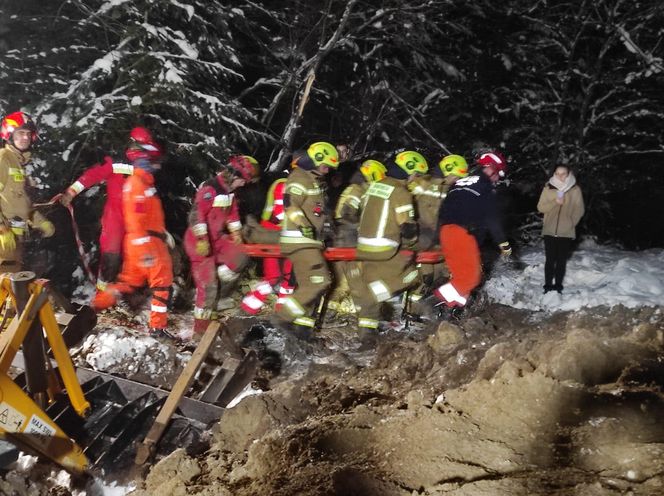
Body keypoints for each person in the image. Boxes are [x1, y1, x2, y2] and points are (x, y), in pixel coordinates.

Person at [92, 127, 174, 338]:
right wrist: (146, 247)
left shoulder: (143, 183)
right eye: (152, 160)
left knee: (127, 283)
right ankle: (157, 327)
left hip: (143, 241)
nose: (156, 165)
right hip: (145, 243)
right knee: (162, 283)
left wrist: (163, 234)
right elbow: (136, 220)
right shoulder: (138, 184)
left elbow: (149, 218)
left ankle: (93, 308)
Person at [347, 152, 420, 338]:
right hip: (384, 248)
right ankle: (371, 298)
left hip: (363, 247)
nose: (414, 178)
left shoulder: (375, 186)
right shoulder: (401, 191)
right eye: (415, 174)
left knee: (371, 281)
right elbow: (407, 226)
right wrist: (412, 244)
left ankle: (366, 334)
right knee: (412, 275)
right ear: (408, 172)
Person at [183, 155, 257, 338]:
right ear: (233, 174)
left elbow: (232, 214)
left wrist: (236, 233)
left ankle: (217, 297)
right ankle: (200, 329)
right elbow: (196, 215)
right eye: (242, 180)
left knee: (240, 256)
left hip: (217, 239)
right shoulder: (211, 188)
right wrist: (201, 239)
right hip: (199, 241)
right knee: (208, 286)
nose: (243, 184)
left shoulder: (229, 192)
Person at [272, 142, 339, 337]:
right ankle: (282, 317)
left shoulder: (314, 181)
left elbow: (317, 211)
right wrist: (304, 225)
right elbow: (290, 205)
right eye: (326, 165)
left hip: (309, 241)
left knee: (308, 285)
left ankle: (302, 329)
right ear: (316, 161)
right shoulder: (300, 178)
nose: (329, 170)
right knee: (320, 281)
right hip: (300, 240)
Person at [433, 150, 512, 313]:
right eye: (499, 174)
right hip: (462, 233)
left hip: (445, 231)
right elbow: (492, 219)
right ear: (491, 169)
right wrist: (504, 244)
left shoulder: (460, 183)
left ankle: (452, 311)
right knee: (472, 278)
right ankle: (436, 300)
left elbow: (444, 209)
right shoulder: (484, 186)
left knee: (460, 277)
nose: (498, 179)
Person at [59, 137, 137, 293]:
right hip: (115, 215)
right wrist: (71, 192)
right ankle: (103, 292)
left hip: (137, 217)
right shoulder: (116, 162)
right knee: (111, 254)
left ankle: (128, 292)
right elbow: (92, 175)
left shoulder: (147, 167)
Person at [0, 111, 55, 272]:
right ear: (9, 134)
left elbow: (22, 203)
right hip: (4, 240)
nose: (25, 138)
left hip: (16, 238)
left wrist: (40, 222)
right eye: (20, 133)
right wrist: (1, 228)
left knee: (14, 289)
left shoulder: (19, 164)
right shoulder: (4, 158)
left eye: (28, 134)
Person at [240, 174, 293, 315]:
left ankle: (282, 311)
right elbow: (279, 213)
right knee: (273, 276)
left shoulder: (292, 185)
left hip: (285, 236)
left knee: (290, 275)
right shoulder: (284, 185)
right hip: (273, 234)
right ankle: (249, 306)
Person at [537, 164, 584, 293]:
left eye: (563, 173)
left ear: (568, 174)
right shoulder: (548, 188)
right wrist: (555, 202)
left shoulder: (575, 190)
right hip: (549, 230)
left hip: (566, 232)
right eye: (557, 173)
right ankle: (547, 286)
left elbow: (579, 210)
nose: (560, 176)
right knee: (550, 260)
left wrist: (570, 223)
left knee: (561, 261)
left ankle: (558, 287)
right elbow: (540, 207)